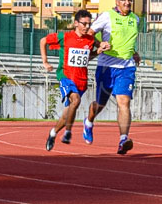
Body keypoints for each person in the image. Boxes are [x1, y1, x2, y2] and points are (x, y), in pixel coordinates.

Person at [39, 9, 110, 151]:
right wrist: (45, 61)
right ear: (76, 23)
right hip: (66, 77)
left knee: (67, 114)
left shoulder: (90, 40)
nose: (86, 27)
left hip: (81, 80)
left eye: (89, 24)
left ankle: (53, 133)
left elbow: (89, 56)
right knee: (76, 101)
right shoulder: (64, 36)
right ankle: (68, 133)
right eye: (83, 24)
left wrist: (99, 50)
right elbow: (43, 41)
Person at [86, 0, 141, 155]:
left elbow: (127, 39)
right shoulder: (106, 16)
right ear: (117, 2)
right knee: (100, 104)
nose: (127, 2)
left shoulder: (135, 19)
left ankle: (123, 139)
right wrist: (99, 44)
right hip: (106, 68)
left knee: (124, 102)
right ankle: (88, 121)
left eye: (129, 0)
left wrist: (134, 53)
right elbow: (89, 34)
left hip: (126, 68)